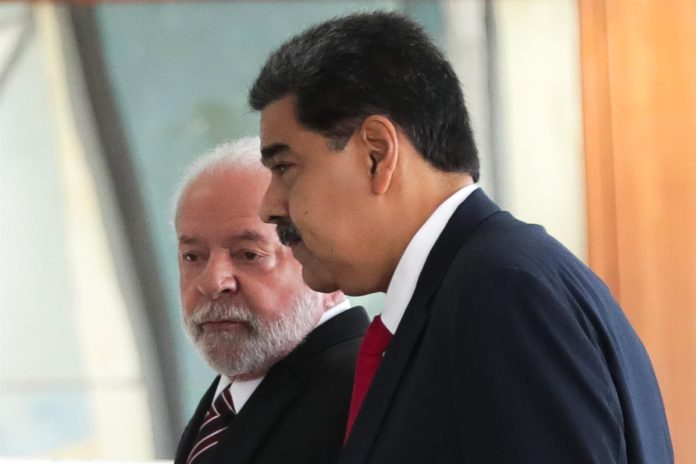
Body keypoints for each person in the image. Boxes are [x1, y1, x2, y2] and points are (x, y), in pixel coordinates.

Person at [248, 11, 673, 464]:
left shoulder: (501, 293)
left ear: (377, 153)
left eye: (284, 167)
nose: (269, 207)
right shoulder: (485, 282)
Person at [172, 137, 369, 464]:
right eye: (192, 256)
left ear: (327, 258)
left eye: (249, 254)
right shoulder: (238, 392)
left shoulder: (367, 395)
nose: (212, 283)